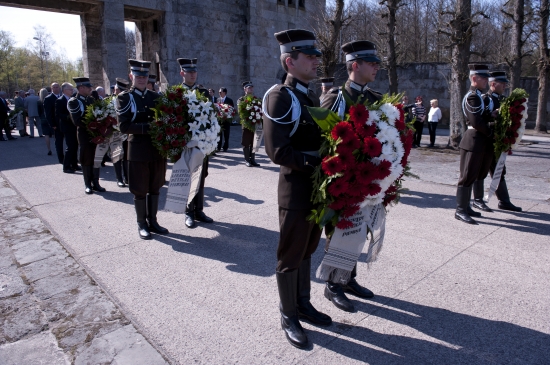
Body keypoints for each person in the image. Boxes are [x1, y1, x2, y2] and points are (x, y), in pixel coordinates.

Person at [263, 29, 332, 349]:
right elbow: (278, 152)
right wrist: (320, 164)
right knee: (290, 254)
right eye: (310, 56)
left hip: (315, 190)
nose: (316, 60)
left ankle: (303, 303)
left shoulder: (309, 95)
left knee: (307, 249)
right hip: (295, 189)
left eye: (316, 55)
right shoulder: (280, 96)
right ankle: (288, 313)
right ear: (290, 61)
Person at [320, 40, 381, 313]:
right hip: (342, 180)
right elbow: (324, 141)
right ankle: (333, 285)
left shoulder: (375, 99)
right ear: (355, 65)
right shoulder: (336, 98)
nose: (376, 66)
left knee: (359, 229)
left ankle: (348, 278)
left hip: (368, 180)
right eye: (371, 63)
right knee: (339, 230)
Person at [117, 59, 169, 240]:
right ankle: (142, 223)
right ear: (131, 76)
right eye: (138, 75)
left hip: (156, 149)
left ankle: (153, 221)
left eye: (144, 75)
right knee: (139, 189)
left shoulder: (156, 97)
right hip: (138, 150)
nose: (141, 78)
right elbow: (124, 127)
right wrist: (151, 127)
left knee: (155, 186)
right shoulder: (124, 98)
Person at [473, 71, 522, 213]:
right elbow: (480, 121)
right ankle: (478, 200)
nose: (505, 85)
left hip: (498, 142)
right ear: (493, 84)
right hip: (486, 141)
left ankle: (504, 201)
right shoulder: (486, 99)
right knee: (480, 171)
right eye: (503, 83)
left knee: (499, 170)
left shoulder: (503, 100)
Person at [455, 64, 495, 225]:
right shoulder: (472, 96)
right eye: (483, 77)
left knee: (473, 175)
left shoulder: (479, 96)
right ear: (474, 78)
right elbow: (476, 121)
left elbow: (482, 116)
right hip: (473, 140)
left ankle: (466, 207)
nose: (486, 80)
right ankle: (460, 210)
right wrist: (491, 130)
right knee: (466, 176)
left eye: (486, 77)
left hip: (479, 140)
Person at [178, 57, 214, 229]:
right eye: (189, 72)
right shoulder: (176, 93)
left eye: (194, 71)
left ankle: (199, 210)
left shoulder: (204, 93)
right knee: (188, 178)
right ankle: (188, 211)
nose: (192, 74)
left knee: (201, 176)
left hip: (201, 145)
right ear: (182, 73)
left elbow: (209, 118)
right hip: (186, 145)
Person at [69, 77, 105, 194]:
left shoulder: (91, 100)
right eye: (88, 87)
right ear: (80, 88)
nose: (91, 88)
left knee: (96, 158)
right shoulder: (74, 101)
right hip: (84, 134)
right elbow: (77, 121)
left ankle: (96, 182)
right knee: (86, 159)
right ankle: (87, 184)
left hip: (96, 134)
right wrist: (93, 124)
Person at [57, 83, 79, 173]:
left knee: (75, 146)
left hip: (74, 126)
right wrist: (68, 116)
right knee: (70, 147)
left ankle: (74, 164)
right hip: (67, 127)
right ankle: (66, 166)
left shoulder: (72, 99)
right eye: (70, 89)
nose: (72, 90)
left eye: (72, 89)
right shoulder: (60, 100)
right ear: (64, 90)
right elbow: (58, 114)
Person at [237, 81, 260, 167]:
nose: (251, 89)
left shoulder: (255, 99)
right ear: (245, 89)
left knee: (254, 143)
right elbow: (240, 112)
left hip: (254, 124)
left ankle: (253, 159)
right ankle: (247, 160)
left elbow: (259, 109)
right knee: (246, 142)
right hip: (246, 123)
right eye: (249, 87)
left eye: (252, 87)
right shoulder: (241, 99)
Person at [113, 78, 130, 187]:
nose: (119, 92)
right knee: (117, 156)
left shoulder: (126, 99)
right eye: (118, 90)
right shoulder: (110, 101)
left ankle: (127, 177)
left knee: (126, 157)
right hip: (115, 133)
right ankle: (119, 178)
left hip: (126, 133)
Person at [44, 83, 64, 163]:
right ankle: (61, 159)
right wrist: (52, 125)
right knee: (59, 142)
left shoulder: (62, 97)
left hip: (64, 124)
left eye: (57, 87)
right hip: (56, 124)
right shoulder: (48, 99)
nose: (56, 89)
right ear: (51, 88)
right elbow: (48, 114)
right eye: (54, 87)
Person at [38, 88, 53, 155]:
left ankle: (49, 149)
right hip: (50, 118)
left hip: (43, 119)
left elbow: (39, 112)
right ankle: (57, 148)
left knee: (46, 135)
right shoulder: (49, 100)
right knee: (54, 134)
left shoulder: (39, 102)